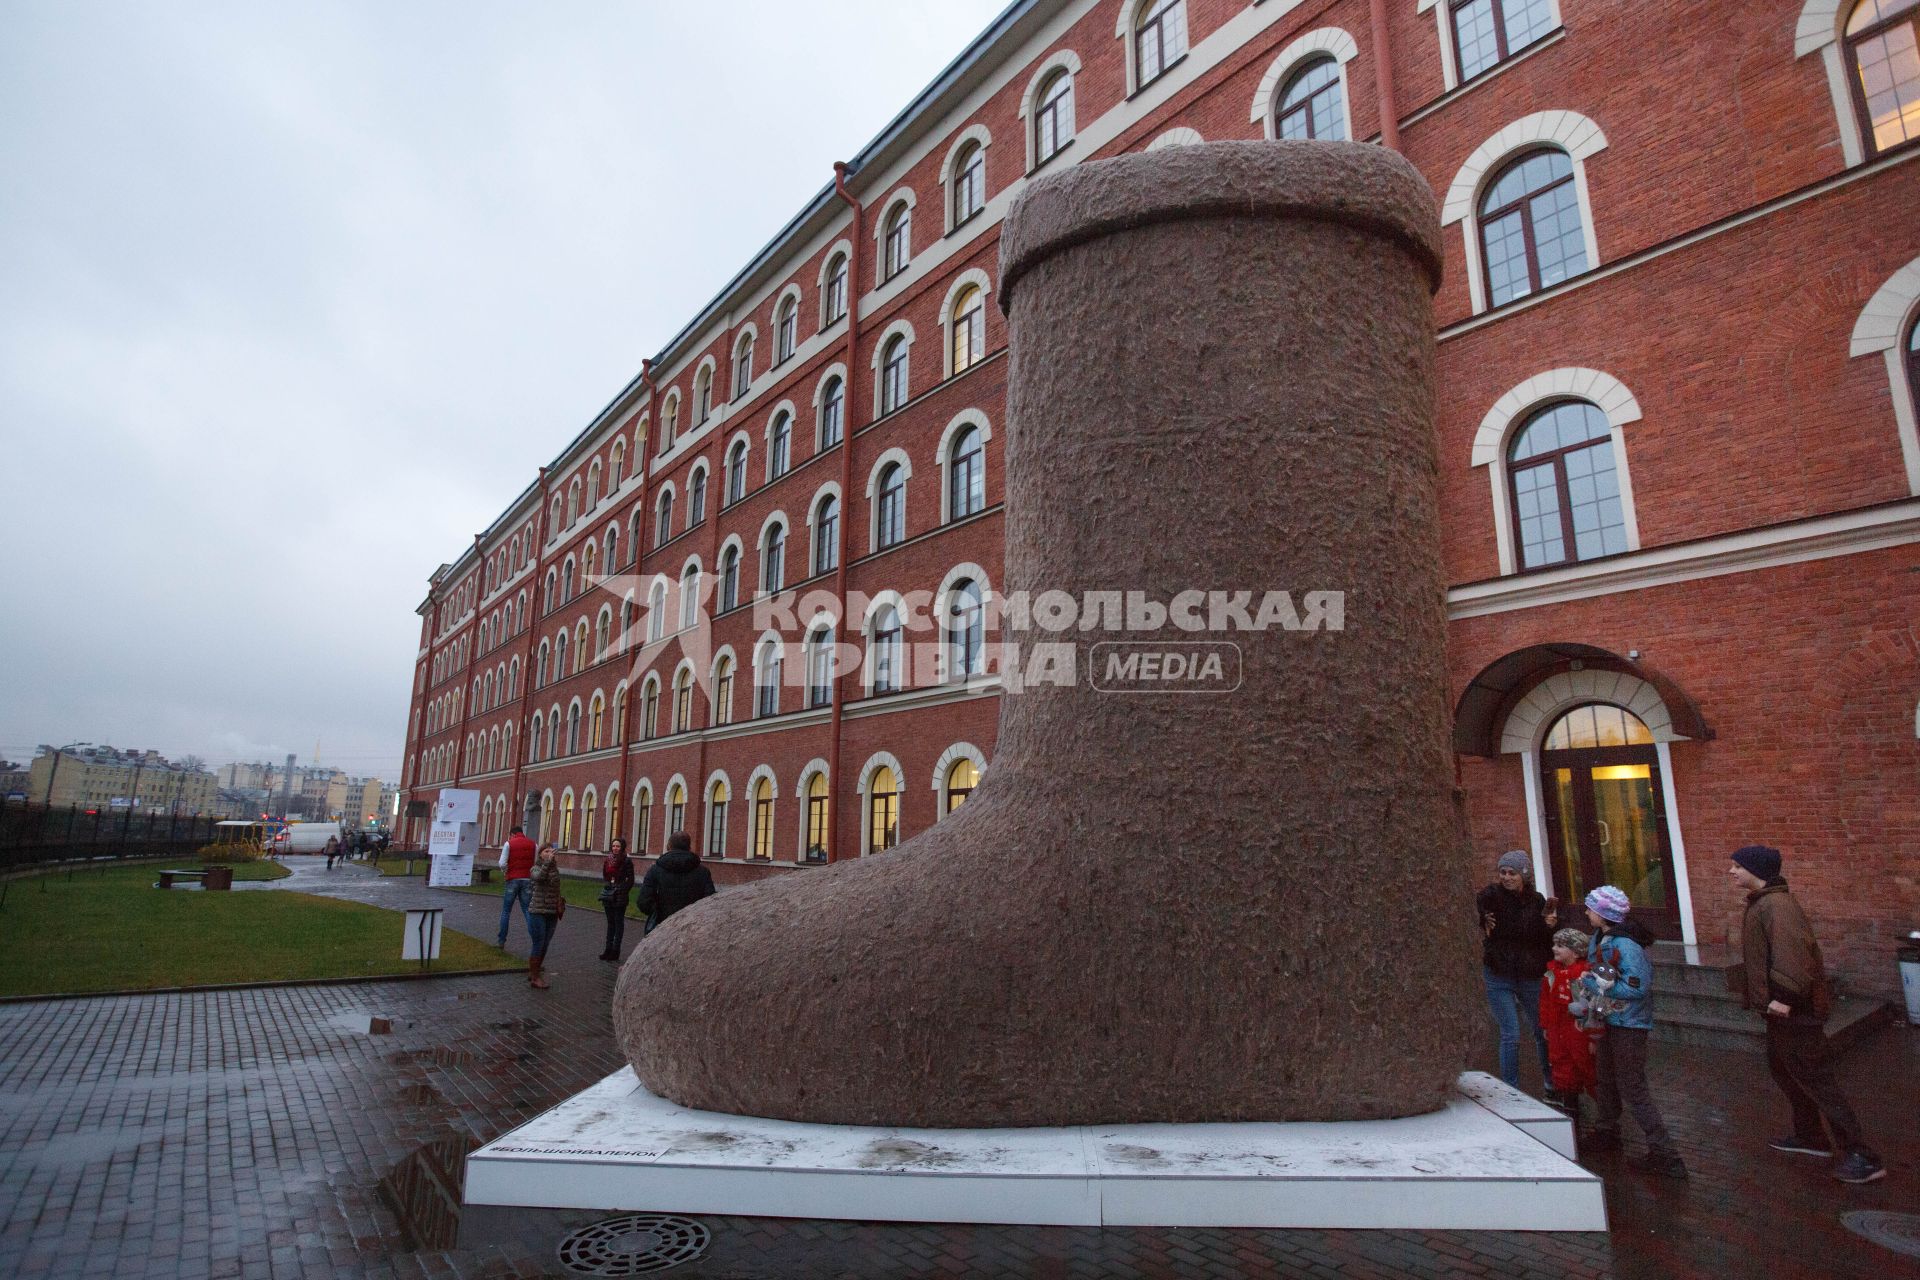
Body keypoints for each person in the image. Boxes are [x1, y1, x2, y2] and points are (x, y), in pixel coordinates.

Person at [1731, 844, 1884, 1184]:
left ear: (1755, 870)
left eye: (1738, 866)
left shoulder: (1776, 906)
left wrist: (1784, 997)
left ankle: (1862, 1154)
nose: (1732, 872)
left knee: (1816, 1078)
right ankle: (1810, 1135)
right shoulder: (1764, 904)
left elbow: (1792, 954)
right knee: (1785, 1070)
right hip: (1780, 1014)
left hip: (1795, 1013)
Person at [1578, 886, 1686, 1178]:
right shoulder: (1601, 938)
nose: (1586, 913)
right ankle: (1606, 1130)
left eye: (1590, 908)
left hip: (1629, 1024)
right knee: (1606, 1079)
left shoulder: (1627, 946)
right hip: (1608, 1020)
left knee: (1632, 1087)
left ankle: (1665, 1152)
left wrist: (1594, 985)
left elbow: (1636, 988)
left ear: (1603, 914)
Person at [1476, 849, 1555, 1091]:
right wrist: (1480, 918)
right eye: (1503, 873)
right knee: (1510, 1033)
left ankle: (1551, 1081)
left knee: (1541, 1029)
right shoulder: (1491, 896)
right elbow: (1471, 907)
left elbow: (1542, 938)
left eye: (1512, 873)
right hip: (1499, 972)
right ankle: (1511, 1088)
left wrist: (1551, 926)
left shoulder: (1537, 901)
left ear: (1524, 875)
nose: (1507, 877)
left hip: (1530, 973)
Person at [1541, 927, 1596, 1115]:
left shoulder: (1583, 974)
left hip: (1577, 1030)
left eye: (1560, 946)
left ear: (1575, 951)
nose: (1554, 948)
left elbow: (1590, 1006)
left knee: (1585, 1066)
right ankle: (1570, 1107)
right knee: (1561, 1064)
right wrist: (1546, 1025)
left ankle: (1603, 1111)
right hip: (1558, 1028)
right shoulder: (1551, 973)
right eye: (1554, 944)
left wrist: (1592, 1036)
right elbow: (1546, 1001)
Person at [636, 830, 716, 934]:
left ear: (668, 846)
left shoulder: (655, 870)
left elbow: (643, 901)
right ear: (689, 847)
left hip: (662, 928)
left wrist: (658, 912)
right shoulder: (703, 872)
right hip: (692, 929)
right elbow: (710, 902)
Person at [526, 844, 563, 989]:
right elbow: (540, 877)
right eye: (545, 851)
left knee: (546, 943)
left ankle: (534, 971)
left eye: (551, 851)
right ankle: (535, 977)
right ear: (540, 854)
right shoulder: (534, 868)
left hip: (551, 911)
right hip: (537, 911)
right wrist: (548, 862)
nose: (549, 853)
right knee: (538, 942)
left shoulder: (554, 869)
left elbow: (554, 883)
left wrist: (551, 863)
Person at [496, 825, 537, 948]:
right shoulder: (534, 844)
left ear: (513, 834)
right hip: (527, 879)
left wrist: (506, 871)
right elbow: (535, 863)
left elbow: (502, 863)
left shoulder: (509, 844)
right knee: (527, 910)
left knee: (506, 911)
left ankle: (501, 940)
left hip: (512, 879)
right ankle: (536, 939)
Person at [600, 837, 636, 962]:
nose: (615, 848)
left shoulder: (626, 861)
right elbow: (605, 874)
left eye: (618, 846)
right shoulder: (608, 859)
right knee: (610, 923)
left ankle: (615, 951)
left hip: (620, 895)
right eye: (614, 846)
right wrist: (608, 884)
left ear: (622, 848)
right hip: (609, 894)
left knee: (618, 923)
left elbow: (631, 880)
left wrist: (623, 889)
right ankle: (607, 949)